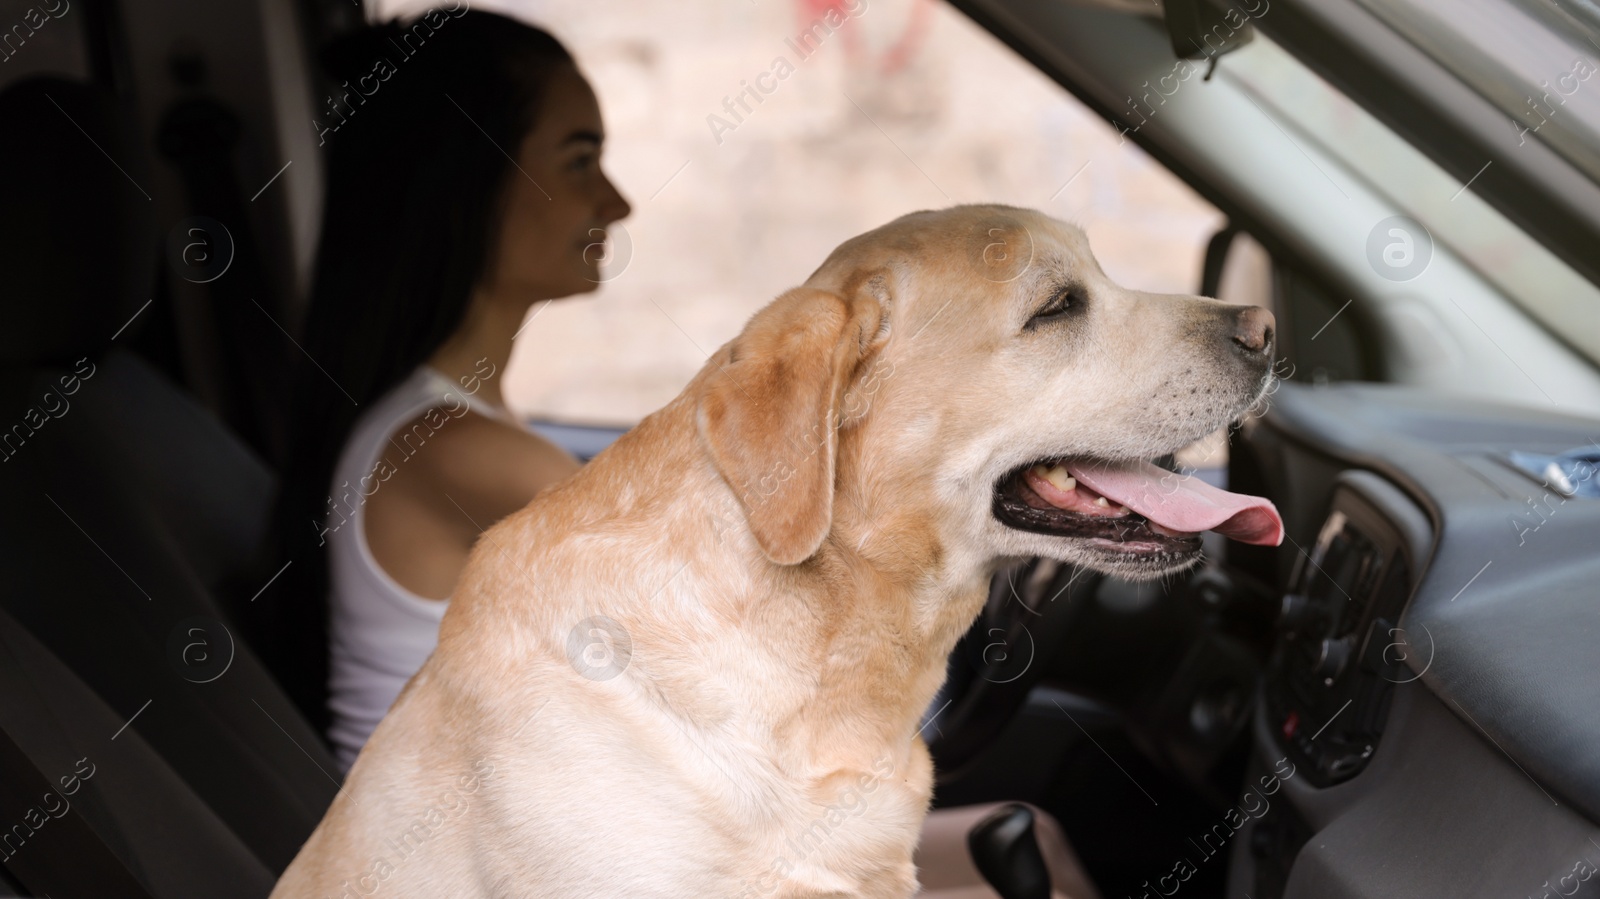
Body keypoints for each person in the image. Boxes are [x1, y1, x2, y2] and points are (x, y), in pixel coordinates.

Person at [273, 10, 631, 771]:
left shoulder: (447, 425)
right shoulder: (456, 451)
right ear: (470, 181)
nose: (616, 202)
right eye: (578, 161)